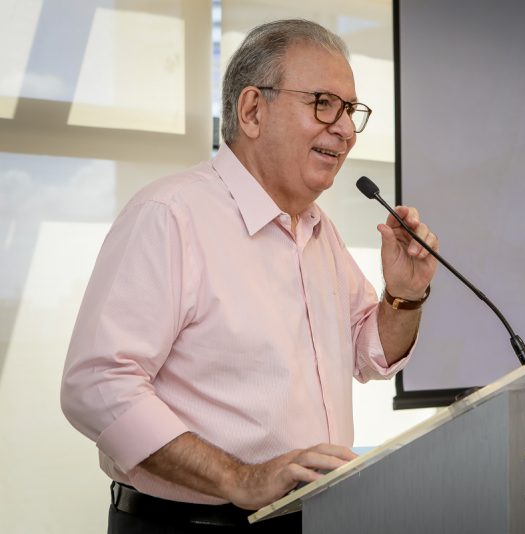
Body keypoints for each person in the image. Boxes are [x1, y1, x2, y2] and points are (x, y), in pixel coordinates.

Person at [60, 19, 438, 533]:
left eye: (350, 110)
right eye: (324, 103)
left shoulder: (318, 230)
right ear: (253, 110)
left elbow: (368, 352)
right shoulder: (171, 214)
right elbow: (97, 384)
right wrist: (237, 478)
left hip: (311, 517)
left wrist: (405, 293)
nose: (345, 129)